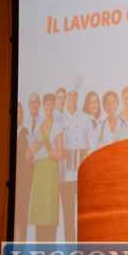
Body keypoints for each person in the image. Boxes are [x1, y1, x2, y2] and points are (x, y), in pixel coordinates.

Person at [28, 93, 63, 241]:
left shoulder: (57, 126)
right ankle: (39, 249)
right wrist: (37, 147)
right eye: (46, 104)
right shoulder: (39, 127)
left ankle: (49, 248)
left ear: (54, 106)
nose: (49, 106)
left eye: (51, 104)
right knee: (40, 211)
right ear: (43, 106)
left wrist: (47, 151)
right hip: (39, 171)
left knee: (49, 210)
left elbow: (60, 154)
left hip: (50, 170)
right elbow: (29, 153)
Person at [58, 89, 93, 241]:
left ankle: (85, 245)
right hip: (65, 175)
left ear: (77, 97)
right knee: (68, 215)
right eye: (69, 95)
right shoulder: (59, 119)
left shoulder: (86, 118)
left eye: (74, 95)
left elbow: (92, 144)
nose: (71, 97)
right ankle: (70, 248)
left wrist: (84, 156)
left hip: (83, 173)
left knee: (84, 214)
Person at [14, 101, 33, 241]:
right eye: (17, 113)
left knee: (22, 214)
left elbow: (30, 157)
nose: (19, 116)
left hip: (24, 180)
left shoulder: (26, 133)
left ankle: (20, 245)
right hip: (13, 180)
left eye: (20, 113)